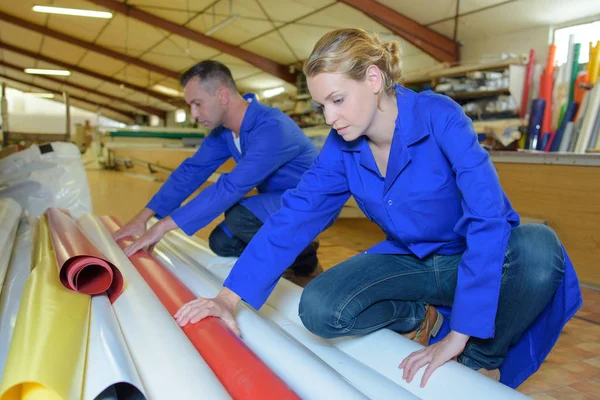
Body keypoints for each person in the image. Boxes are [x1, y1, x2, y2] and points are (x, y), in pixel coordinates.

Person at [172, 29, 582, 388]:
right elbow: (298, 211)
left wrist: (461, 337)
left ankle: (480, 361)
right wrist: (228, 298)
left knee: (540, 249)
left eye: (336, 100)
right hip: (411, 262)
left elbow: (488, 219)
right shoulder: (341, 145)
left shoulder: (439, 117)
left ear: (372, 78)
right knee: (318, 308)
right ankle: (421, 319)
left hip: (468, 258)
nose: (330, 117)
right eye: (321, 107)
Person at [115, 60, 323, 280]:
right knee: (221, 242)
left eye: (197, 103)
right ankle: (282, 255)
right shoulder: (225, 133)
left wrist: (163, 226)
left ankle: (304, 260)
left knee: (240, 216)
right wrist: (144, 217)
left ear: (222, 96)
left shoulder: (273, 128)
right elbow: (192, 171)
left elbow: (231, 187)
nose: (193, 114)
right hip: (276, 201)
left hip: (312, 201)